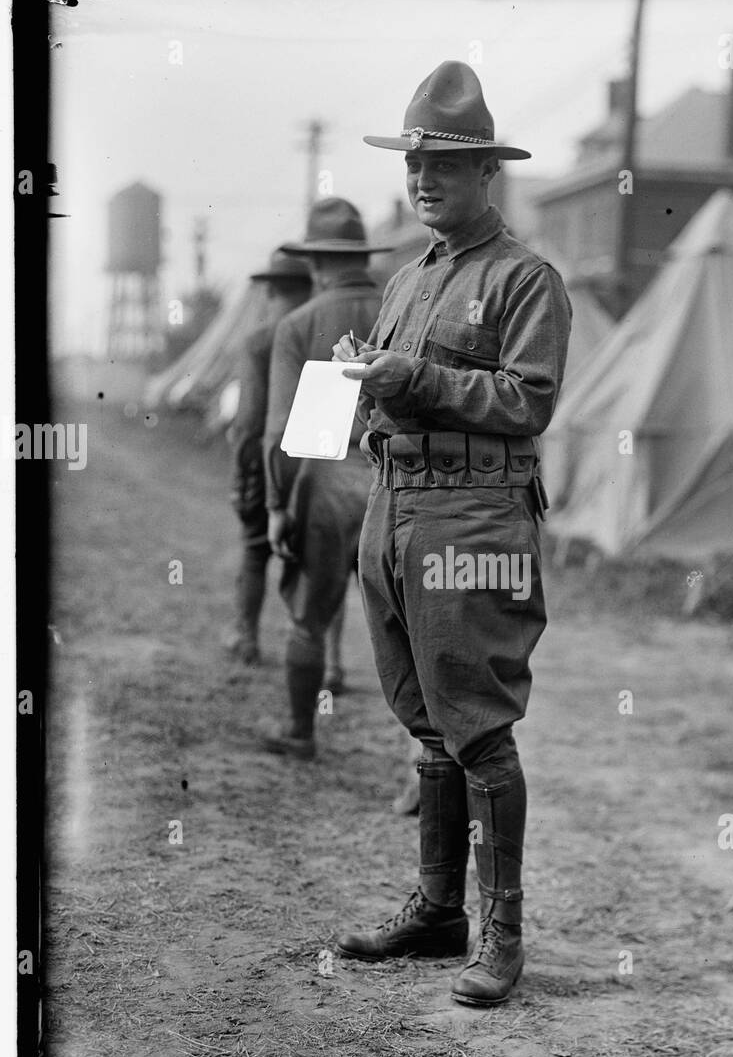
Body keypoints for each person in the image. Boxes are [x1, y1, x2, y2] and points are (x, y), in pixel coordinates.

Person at [332, 60, 572, 1006]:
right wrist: (364, 378)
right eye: (415, 165)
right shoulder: (405, 281)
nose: (425, 180)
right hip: (394, 509)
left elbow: (528, 401)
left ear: (487, 175)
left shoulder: (526, 279)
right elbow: (395, 385)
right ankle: (438, 911)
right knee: (423, 719)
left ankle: (503, 932)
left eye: (445, 164)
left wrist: (414, 381)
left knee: (477, 726)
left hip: (473, 519)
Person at [258, 198, 391, 759]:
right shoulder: (402, 306)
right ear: (362, 255)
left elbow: (283, 430)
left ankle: (300, 730)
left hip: (325, 481)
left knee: (309, 614)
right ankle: (423, 763)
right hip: (395, 481)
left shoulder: (298, 323)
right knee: (407, 626)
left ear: (314, 263)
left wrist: (276, 504)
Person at [224, 249, 312, 665]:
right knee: (315, 559)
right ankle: (325, 659)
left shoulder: (259, 339)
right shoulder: (320, 332)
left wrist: (242, 472)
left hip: (265, 458)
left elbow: (248, 419)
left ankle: (247, 638)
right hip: (316, 462)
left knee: (255, 549)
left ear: (272, 289)